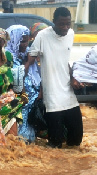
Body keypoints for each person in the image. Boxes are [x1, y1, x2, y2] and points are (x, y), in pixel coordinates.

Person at [25, 7, 83, 148]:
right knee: (56, 140)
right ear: (53, 22)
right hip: (51, 93)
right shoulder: (43, 36)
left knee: (76, 137)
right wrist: (22, 73)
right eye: (61, 24)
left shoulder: (71, 34)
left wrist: (74, 77)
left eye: (68, 23)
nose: (65, 27)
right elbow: (31, 57)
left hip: (68, 91)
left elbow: (66, 59)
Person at [5, 24, 37, 143]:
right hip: (17, 100)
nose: (25, 44)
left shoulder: (26, 52)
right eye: (22, 41)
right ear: (14, 40)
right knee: (17, 132)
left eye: (26, 41)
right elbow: (18, 76)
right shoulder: (8, 57)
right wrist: (28, 62)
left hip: (30, 100)